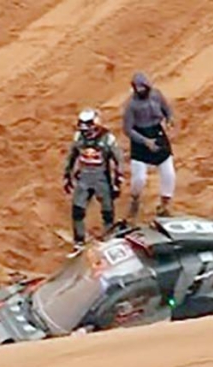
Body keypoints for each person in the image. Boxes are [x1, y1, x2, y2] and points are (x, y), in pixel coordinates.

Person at [63, 109, 124, 253]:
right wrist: (67, 175)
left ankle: (109, 239)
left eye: (89, 126)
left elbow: (118, 160)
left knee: (107, 211)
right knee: (77, 210)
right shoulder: (78, 138)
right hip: (84, 178)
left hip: (101, 179)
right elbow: (71, 156)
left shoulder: (107, 138)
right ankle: (79, 241)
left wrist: (117, 181)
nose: (86, 131)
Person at [123, 72, 176, 220]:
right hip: (141, 140)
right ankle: (135, 198)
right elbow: (127, 129)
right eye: (137, 87)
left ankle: (164, 205)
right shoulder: (131, 105)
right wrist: (145, 141)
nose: (140, 90)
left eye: (142, 87)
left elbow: (167, 109)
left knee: (169, 174)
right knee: (139, 178)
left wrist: (170, 119)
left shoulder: (157, 95)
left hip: (157, 133)